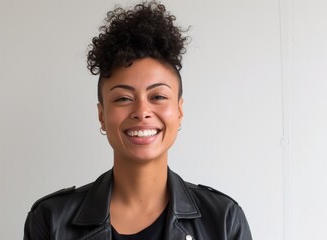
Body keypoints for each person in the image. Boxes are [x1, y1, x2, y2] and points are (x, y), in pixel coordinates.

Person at [24, 1, 252, 239]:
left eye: (158, 96)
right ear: (101, 115)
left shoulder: (224, 219)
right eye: (123, 98)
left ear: (179, 111)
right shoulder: (50, 218)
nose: (142, 111)